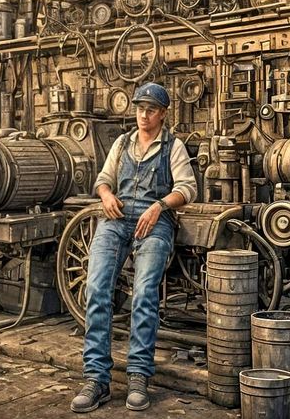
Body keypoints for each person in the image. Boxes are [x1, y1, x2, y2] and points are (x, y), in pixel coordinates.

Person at [72, 81, 196, 413]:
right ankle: (96, 378)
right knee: (96, 289)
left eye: (151, 110)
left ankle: (139, 375)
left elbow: (188, 189)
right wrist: (106, 195)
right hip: (117, 217)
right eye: (140, 108)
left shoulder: (174, 147)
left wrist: (159, 206)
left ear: (163, 114)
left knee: (144, 292)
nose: (143, 115)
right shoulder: (122, 143)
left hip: (156, 223)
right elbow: (103, 179)